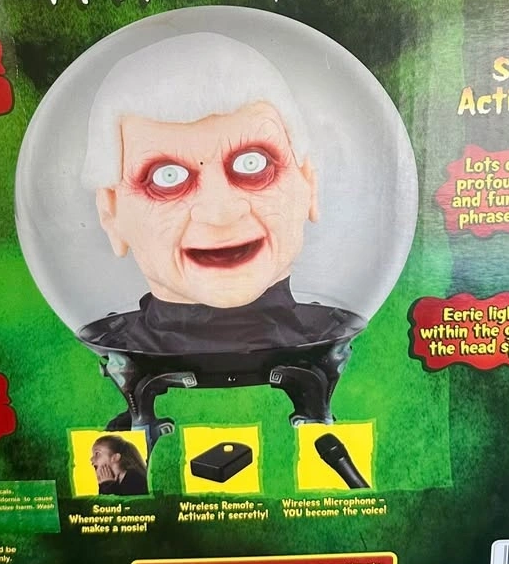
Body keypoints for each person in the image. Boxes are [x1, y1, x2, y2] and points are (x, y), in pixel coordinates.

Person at [79, 32, 360, 355]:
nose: (220, 213)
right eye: (167, 178)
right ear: (110, 213)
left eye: (253, 164)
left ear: (308, 184)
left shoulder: (338, 333)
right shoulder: (116, 348)